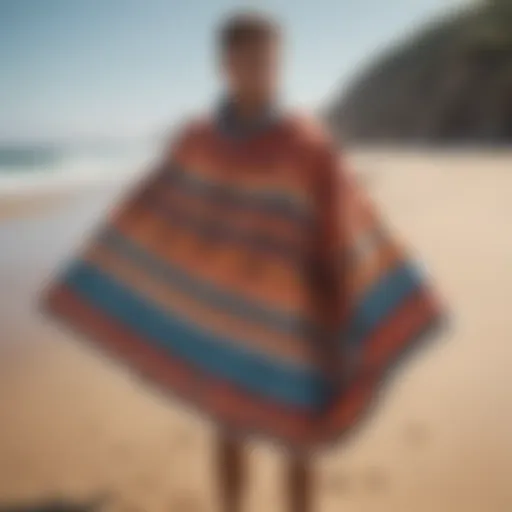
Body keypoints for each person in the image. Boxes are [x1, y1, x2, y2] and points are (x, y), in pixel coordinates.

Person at [44, 10, 444, 512]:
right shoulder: (200, 140)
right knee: (228, 425)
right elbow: (158, 206)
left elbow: (349, 217)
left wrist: (392, 286)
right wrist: (103, 265)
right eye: (249, 59)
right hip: (229, 316)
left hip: (299, 318)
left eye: (270, 60)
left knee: (300, 437)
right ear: (225, 65)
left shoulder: (307, 143)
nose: (261, 70)